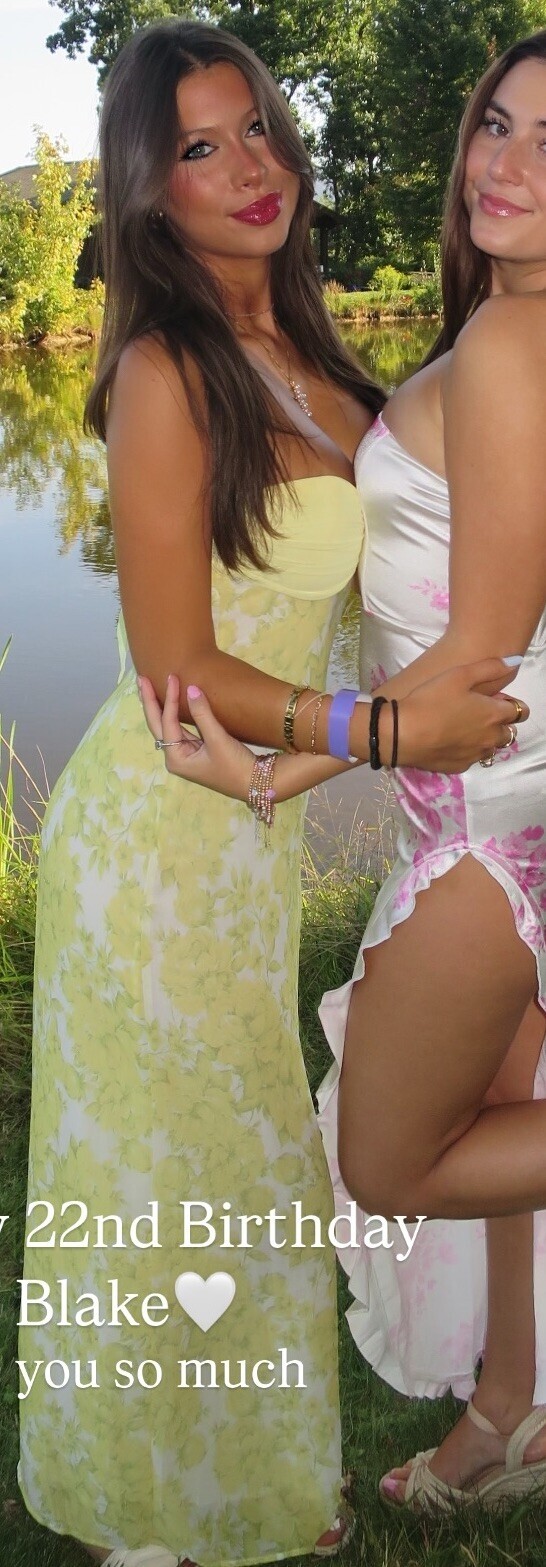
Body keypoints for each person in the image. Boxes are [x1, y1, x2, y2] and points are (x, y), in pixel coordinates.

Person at [17, 18, 526, 1567]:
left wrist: (328, 753)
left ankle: (250, 1484)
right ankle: (142, 1511)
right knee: (156, 1171)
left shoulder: (327, 365)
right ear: (147, 187)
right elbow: (174, 661)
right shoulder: (162, 371)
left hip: (249, 824)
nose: (249, 168)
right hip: (154, 831)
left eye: (256, 129)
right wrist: (379, 729)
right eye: (199, 147)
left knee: (235, 1163)